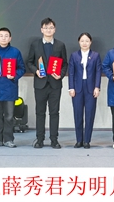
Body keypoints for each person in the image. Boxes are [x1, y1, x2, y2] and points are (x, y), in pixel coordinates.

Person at [26, 17, 68, 149]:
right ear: (41, 30)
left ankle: (54, 140)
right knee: (40, 112)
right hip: (40, 84)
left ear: (54, 30)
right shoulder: (35, 44)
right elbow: (29, 62)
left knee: (54, 113)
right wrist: (36, 71)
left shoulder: (60, 45)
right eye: (46, 28)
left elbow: (65, 64)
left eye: (51, 28)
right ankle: (40, 139)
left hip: (55, 84)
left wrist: (60, 75)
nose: (48, 30)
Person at [68, 32, 101, 149]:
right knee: (78, 114)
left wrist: (97, 87)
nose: (84, 43)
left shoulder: (96, 55)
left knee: (89, 114)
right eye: (82, 41)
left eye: (87, 41)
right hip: (77, 88)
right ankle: (79, 140)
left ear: (90, 42)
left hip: (91, 88)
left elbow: (98, 72)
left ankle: (87, 140)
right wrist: (71, 87)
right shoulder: (74, 55)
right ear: (79, 42)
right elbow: (71, 72)